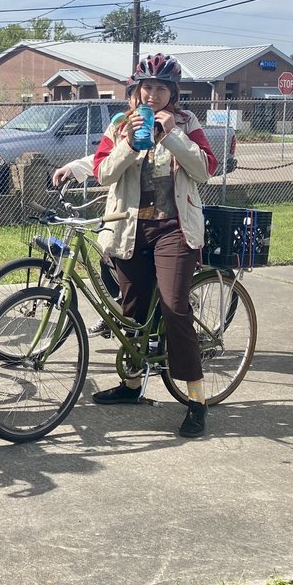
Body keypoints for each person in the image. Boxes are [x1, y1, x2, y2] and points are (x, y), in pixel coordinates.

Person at [56, 54, 218, 438]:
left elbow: (206, 170)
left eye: (162, 88)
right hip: (129, 228)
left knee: (174, 305)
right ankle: (132, 385)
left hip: (173, 229)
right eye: (147, 86)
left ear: (173, 93)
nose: (153, 94)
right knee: (131, 312)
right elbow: (102, 172)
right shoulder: (118, 124)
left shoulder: (188, 123)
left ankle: (196, 399)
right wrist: (128, 142)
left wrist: (173, 135)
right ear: (136, 90)